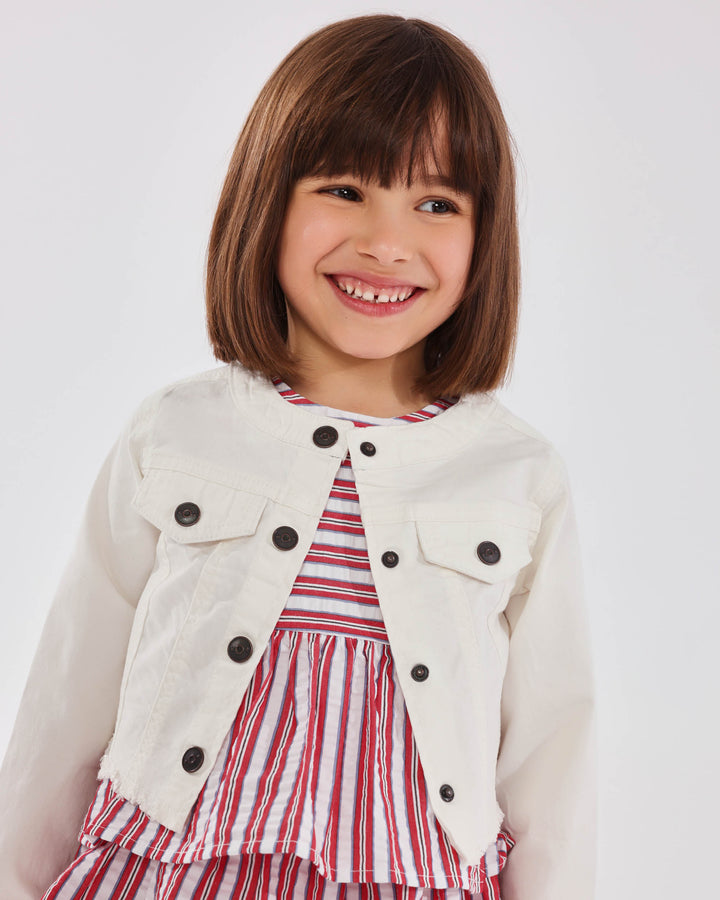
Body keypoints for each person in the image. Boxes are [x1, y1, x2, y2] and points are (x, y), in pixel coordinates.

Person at [0, 14, 596, 900]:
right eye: (345, 189)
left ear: (487, 236)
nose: (386, 243)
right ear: (267, 198)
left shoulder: (515, 475)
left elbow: (552, 753)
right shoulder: (177, 432)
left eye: (437, 204)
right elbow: (68, 696)